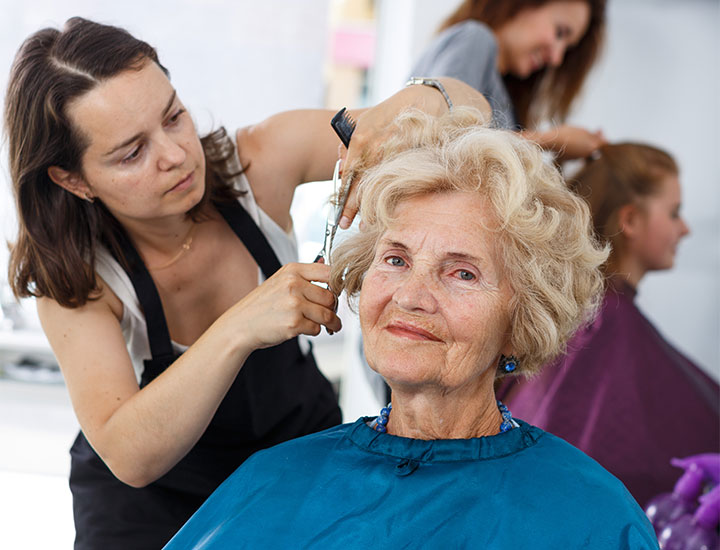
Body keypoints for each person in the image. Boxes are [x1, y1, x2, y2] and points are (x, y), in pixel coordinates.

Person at [4, 17, 488, 549]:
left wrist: (412, 103)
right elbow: (130, 455)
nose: (174, 155)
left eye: (174, 117)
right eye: (131, 153)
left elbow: (470, 109)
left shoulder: (260, 161)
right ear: (72, 179)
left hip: (291, 458)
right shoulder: (77, 277)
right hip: (149, 507)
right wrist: (242, 325)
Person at [163, 108, 659, 549]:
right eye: (396, 260)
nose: (410, 297)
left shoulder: (592, 518)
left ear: (521, 320)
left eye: (462, 272)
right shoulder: (273, 481)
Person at [498, 143, 720, 507]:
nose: (685, 229)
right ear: (630, 220)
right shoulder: (601, 325)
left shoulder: (587, 315)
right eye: (674, 213)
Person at [410, 0, 607, 160]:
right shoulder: (475, 39)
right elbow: (442, 145)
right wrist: (550, 140)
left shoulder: (505, 94)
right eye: (560, 32)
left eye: (567, 47)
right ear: (520, 5)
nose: (557, 58)